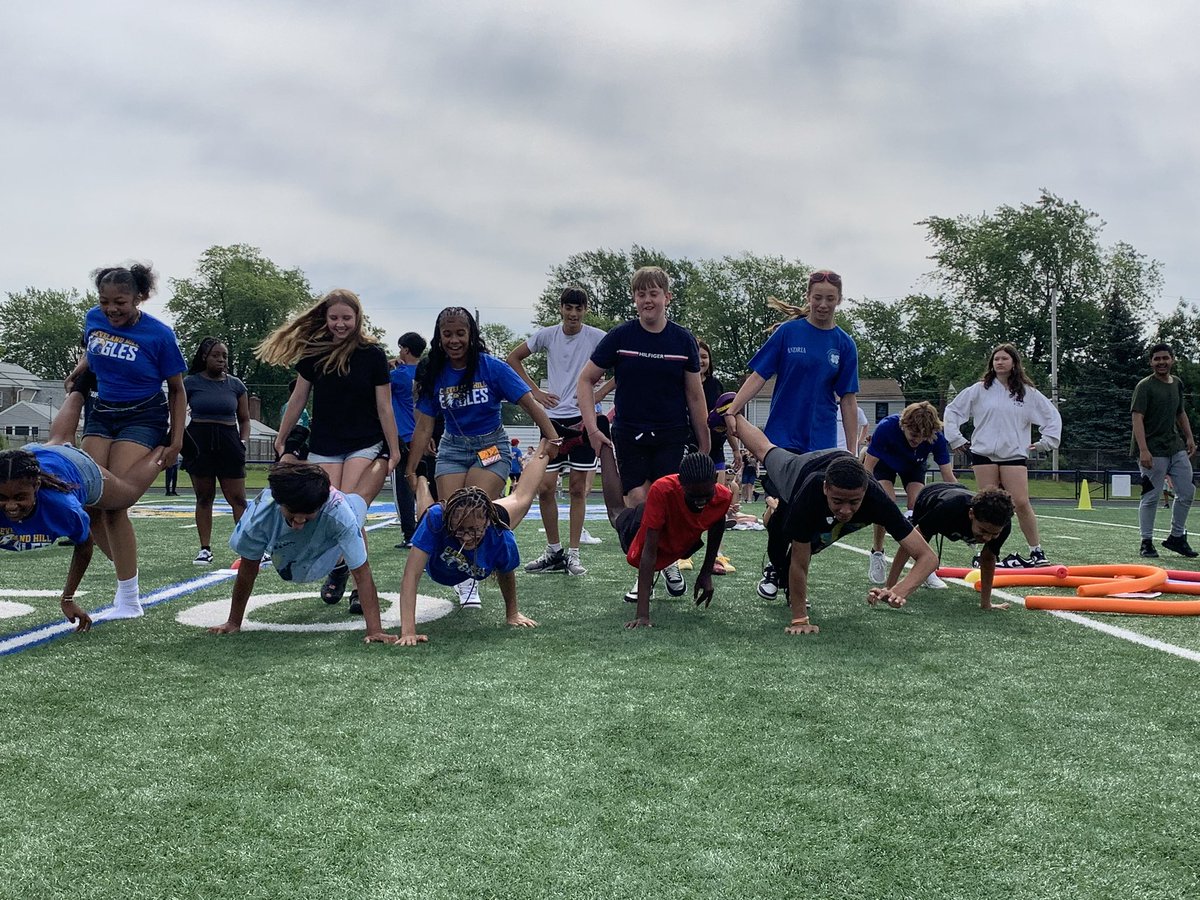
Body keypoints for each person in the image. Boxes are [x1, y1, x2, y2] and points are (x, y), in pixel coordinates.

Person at [723, 410, 939, 635]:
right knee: (764, 450)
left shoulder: (877, 499)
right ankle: (730, 410)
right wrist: (799, 619)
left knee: (823, 533)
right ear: (826, 488)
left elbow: (928, 557)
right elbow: (799, 561)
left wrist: (899, 590)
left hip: (841, 461)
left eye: (854, 502)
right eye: (838, 501)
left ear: (865, 491)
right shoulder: (810, 493)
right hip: (800, 470)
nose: (845, 510)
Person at [407, 306, 561, 605]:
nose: (454, 340)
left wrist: (552, 436)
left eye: (460, 333)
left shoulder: (492, 368)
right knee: (453, 515)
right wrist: (412, 469)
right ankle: (465, 577)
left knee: (475, 508)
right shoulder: (435, 373)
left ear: (471, 335)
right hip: (452, 447)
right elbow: (424, 426)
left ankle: (474, 577)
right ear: (439, 337)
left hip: (490, 447)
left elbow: (530, 404)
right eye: (447, 334)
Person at [259, 289, 401, 612]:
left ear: (358, 318)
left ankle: (358, 586)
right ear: (325, 317)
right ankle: (339, 566)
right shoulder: (314, 352)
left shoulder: (373, 354)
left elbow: (385, 406)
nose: (340, 324)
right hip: (325, 443)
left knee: (350, 511)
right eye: (334, 317)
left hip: (364, 441)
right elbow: (298, 398)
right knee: (323, 507)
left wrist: (393, 450)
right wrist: (282, 438)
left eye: (346, 318)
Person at [577, 266, 709, 596]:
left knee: (661, 500)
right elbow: (585, 380)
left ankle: (657, 565)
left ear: (667, 297)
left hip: (671, 432)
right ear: (634, 299)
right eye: (641, 294)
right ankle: (652, 567)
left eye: (653, 293)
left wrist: (706, 446)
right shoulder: (621, 337)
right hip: (629, 431)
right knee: (638, 501)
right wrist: (593, 428)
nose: (647, 300)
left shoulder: (682, 340)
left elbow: (695, 395)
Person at [64, 263, 187, 617]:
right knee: (89, 501)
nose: (111, 309)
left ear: (139, 298)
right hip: (103, 411)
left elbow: (178, 390)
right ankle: (128, 574)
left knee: (114, 503)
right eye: (104, 301)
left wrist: (176, 440)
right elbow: (93, 348)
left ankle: (129, 600)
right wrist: (81, 367)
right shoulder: (93, 318)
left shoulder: (159, 335)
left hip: (143, 415)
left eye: (120, 301)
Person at [209, 461, 399, 643]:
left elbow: (362, 573)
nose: (298, 523)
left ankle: (382, 457)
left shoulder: (341, 513)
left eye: (307, 516)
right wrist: (234, 622)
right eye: (292, 514)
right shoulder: (260, 514)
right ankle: (340, 562)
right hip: (293, 554)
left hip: (343, 515)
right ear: (278, 502)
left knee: (361, 499)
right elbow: (248, 567)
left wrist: (375, 631)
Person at [397, 440, 555, 643]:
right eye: (460, 530)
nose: (467, 537)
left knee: (522, 497)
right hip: (437, 544)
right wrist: (408, 631)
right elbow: (411, 575)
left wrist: (512, 614)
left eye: (473, 530)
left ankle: (548, 444)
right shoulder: (437, 520)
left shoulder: (500, 535)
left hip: (488, 516)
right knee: (425, 510)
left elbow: (506, 574)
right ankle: (421, 481)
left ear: (487, 522)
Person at [0, 443, 171, 625]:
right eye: (2, 498)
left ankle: (163, 450)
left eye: (20, 498)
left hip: (75, 464)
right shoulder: (16, 481)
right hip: (29, 455)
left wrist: (67, 598)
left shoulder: (64, 507)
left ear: (36, 486)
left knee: (127, 495)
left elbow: (85, 544)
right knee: (59, 437)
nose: (11, 506)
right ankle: (61, 440)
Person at [507, 285, 608, 577]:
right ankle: (553, 551)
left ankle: (573, 554)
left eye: (579, 308)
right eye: (568, 308)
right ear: (561, 308)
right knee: (545, 487)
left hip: (583, 420)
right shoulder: (547, 335)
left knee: (579, 489)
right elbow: (513, 359)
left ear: (585, 310)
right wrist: (535, 391)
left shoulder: (597, 337)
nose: (573, 314)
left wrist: (598, 395)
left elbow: (621, 367)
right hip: (552, 422)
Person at [943, 343, 1062, 567]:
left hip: (1013, 455)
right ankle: (986, 553)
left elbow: (1051, 417)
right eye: (996, 359)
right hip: (983, 454)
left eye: (1004, 358)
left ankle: (1036, 551)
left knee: (1020, 502)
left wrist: (1047, 442)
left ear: (1014, 363)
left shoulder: (1027, 393)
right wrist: (955, 438)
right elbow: (953, 410)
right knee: (985, 506)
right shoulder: (978, 390)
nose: (999, 362)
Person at [724, 272, 861, 455]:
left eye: (830, 299)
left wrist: (852, 451)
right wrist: (732, 410)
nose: (823, 305)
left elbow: (848, 399)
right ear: (808, 297)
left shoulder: (845, 344)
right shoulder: (787, 332)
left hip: (821, 438)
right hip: (782, 435)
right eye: (817, 298)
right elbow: (759, 375)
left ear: (839, 300)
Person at [595, 444, 731, 629]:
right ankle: (604, 448)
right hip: (642, 527)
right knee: (616, 513)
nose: (700, 501)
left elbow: (717, 526)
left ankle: (670, 566)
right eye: (693, 496)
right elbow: (649, 551)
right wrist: (643, 615)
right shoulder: (663, 489)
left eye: (706, 495)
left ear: (716, 480)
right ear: (681, 482)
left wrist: (706, 572)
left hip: (677, 538)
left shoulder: (723, 497)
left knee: (682, 542)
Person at [864, 402, 956, 587]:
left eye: (923, 437)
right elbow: (867, 468)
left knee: (920, 506)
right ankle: (877, 551)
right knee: (887, 504)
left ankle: (924, 566)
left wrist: (963, 501)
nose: (918, 440)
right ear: (904, 425)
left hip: (914, 466)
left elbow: (948, 476)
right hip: (885, 464)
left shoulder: (936, 437)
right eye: (914, 435)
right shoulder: (887, 427)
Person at [885, 484, 1016, 611]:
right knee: (920, 543)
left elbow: (987, 559)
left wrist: (986, 604)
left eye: (994, 534)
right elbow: (909, 545)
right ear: (971, 514)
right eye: (983, 530)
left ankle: (926, 572)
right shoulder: (948, 509)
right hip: (930, 497)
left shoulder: (1004, 525)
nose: (987, 538)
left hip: (958, 492)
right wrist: (890, 587)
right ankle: (923, 571)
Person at [182, 338, 250, 565]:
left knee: (238, 499)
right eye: (216, 355)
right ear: (204, 357)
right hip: (199, 441)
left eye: (224, 356)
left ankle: (248, 547)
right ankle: (205, 549)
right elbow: (177, 409)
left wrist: (243, 441)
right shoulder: (190, 383)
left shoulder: (236, 385)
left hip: (229, 441)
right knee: (204, 496)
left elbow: (245, 419)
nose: (221, 360)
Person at [1131, 343, 1197, 558]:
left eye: (1165, 358)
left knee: (1187, 491)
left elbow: (1180, 412)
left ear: (1172, 359)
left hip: (1174, 446)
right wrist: (1143, 450)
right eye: (1157, 359)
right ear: (1151, 362)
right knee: (1151, 496)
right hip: (1152, 449)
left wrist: (1189, 437)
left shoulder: (1176, 383)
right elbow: (1137, 417)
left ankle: (1177, 537)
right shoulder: (1145, 386)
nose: (1161, 362)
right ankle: (1146, 542)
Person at [389, 331, 427, 549]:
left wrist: (391, 364)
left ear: (405, 349)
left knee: (403, 487)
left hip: (404, 436)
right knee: (425, 484)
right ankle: (428, 530)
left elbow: (376, 378)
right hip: (425, 434)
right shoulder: (426, 372)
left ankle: (409, 534)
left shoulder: (398, 375)